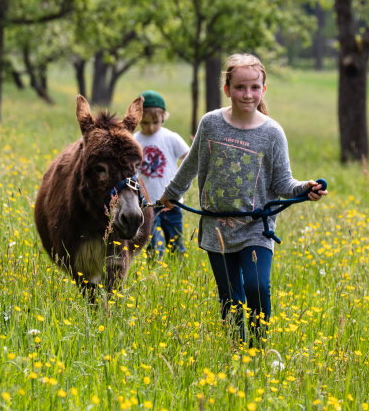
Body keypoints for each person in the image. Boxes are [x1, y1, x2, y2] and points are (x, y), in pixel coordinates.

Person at [157, 53, 326, 345]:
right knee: (230, 299)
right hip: (216, 228)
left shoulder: (272, 133)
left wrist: (304, 189)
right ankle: (237, 351)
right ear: (227, 89)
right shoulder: (211, 124)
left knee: (258, 286)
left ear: (263, 89)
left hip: (255, 229)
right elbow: (192, 166)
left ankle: (257, 349)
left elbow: (283, 182)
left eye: (254, 87)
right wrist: (170, 196)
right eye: (240, 87)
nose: (247, 94)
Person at [134, 89, 191, 258]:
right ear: (137, 120)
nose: (150, 127)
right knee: (153, 245)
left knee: (176, 242)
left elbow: (189, 159)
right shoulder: (135, 140)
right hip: (147, 204)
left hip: (171, 203)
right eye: (145, 123)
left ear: (164, 118)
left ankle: (179, 267)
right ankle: (154, 270)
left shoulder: (170, 138)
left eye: (156, 122)